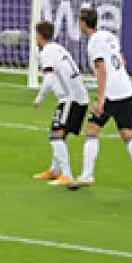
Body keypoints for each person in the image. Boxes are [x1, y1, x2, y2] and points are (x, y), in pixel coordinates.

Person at [78, 7, 132, 192]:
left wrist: (100, 99)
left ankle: (87, 174)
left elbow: (102, 69)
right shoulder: (109, 36)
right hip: (126, 88)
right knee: (127, 131)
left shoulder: (93, 42)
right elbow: (122, 61)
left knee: (91, 130)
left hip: (111, 92)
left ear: (84, 23)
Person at [31, 20, 89, 187]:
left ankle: (67, 175)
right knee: (60, 134)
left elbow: (49, 80)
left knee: (55, 135)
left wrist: (39, 99)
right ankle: (54, 170)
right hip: (78, 97)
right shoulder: (58, 48)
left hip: (71, 99)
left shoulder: (47, 52)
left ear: (39, 36)